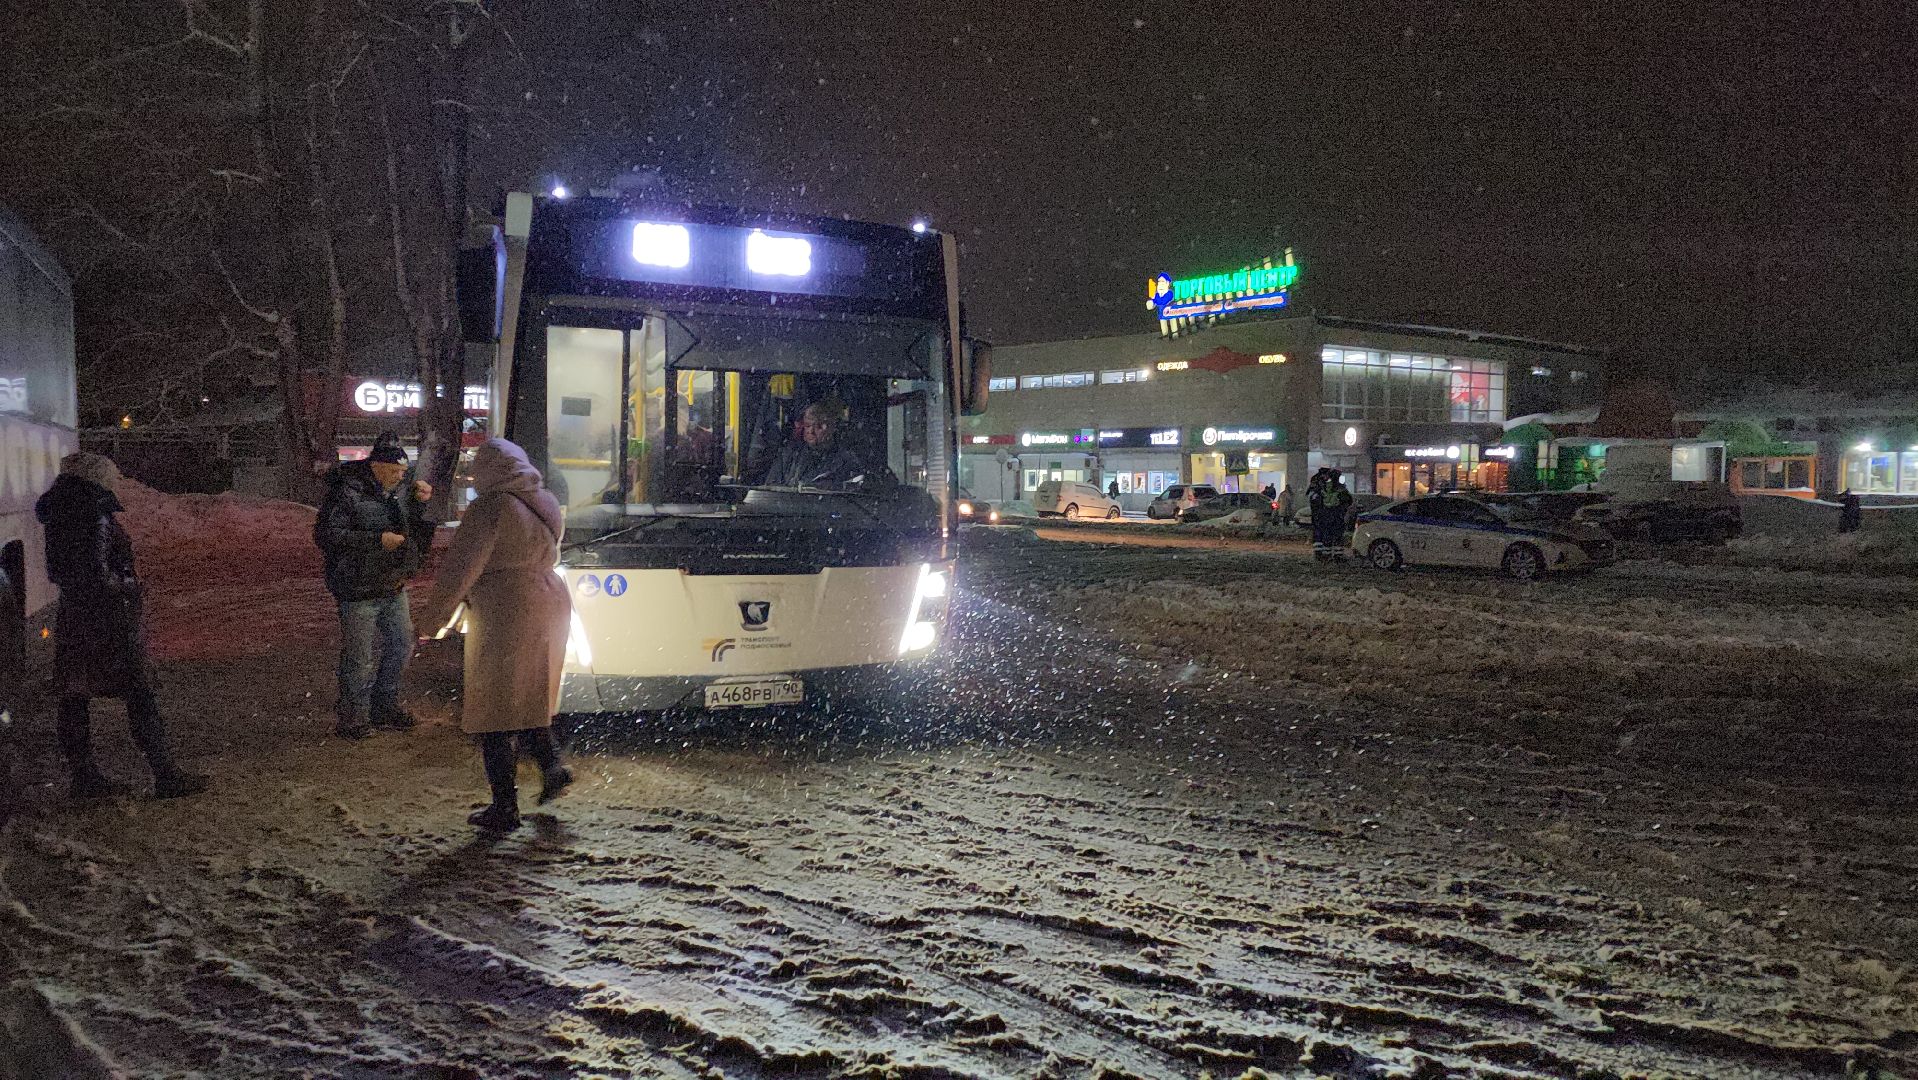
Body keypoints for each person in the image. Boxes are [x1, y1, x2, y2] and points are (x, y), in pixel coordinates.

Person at [418, 438, 572, 832]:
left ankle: (505, 807)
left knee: (494, 708)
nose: (473, 476)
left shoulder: (491, 506)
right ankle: (552, 766)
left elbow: (462, 568)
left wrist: (431, 621)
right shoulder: (546, 501)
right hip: (550, 598)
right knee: (529, 693)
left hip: (508, 606)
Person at [35, 452, 206, 800]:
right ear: (96, 478)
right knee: (139, 692)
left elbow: (61, 570)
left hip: (75, 614)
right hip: (108, 619)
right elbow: (99, 573)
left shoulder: (60, 511)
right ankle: (165, 773)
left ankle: (84, 777)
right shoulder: (94, 511)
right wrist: (130, 585)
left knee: (74, 694)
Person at [315, 444, 433, 739]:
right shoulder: (346, 491)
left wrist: (420, 504)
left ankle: (384, 705)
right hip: (357, 587)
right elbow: (327, 535)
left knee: (401, 645)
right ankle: (353, 717)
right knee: (359, 657)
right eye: (395, 471)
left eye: (403, 472)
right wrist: (376, 540)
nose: (400, 477)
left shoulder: (398, 491)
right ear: (376, 466)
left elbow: (412, 529)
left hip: (391, 584)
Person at [766, 400, 866, 488]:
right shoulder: (788, 456)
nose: (811, 431)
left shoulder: (846, 461)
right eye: (807, 425)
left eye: (818, 426)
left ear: (831, 427)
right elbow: (770, 488)